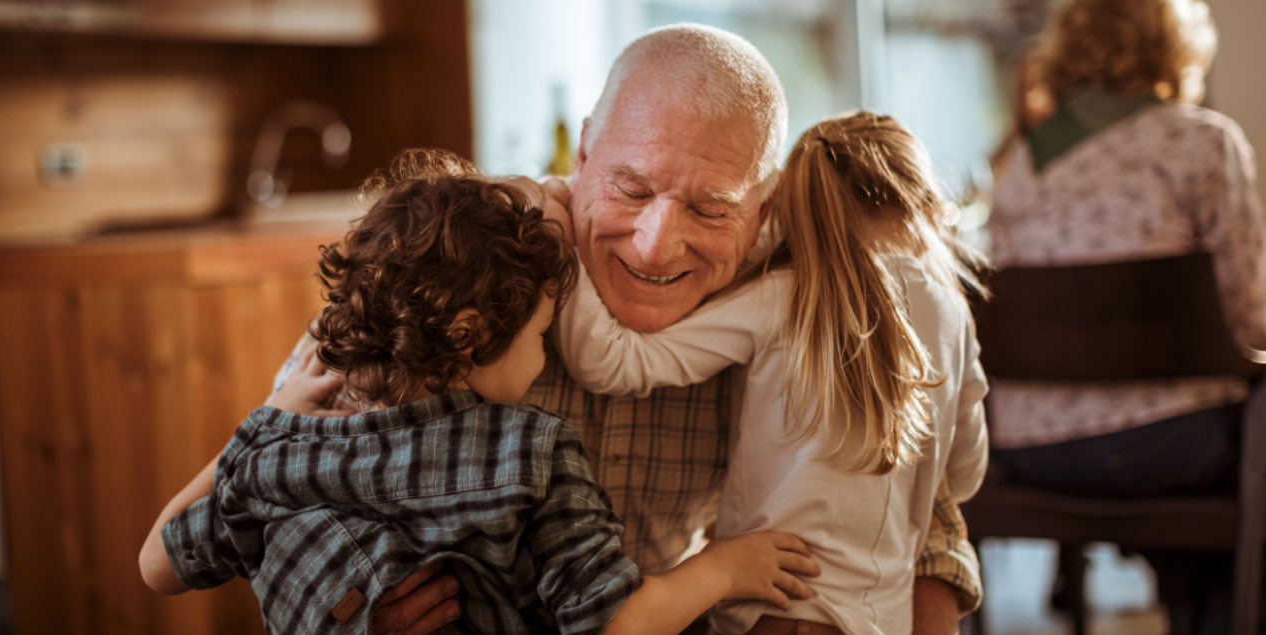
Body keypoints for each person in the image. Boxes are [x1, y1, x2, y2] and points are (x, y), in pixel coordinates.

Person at [275, 24, 983, 635]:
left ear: (763, 211)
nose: (654, 244)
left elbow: (927, 514)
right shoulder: (463, 257)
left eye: (710, 209)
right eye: (632, 189)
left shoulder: (787, 300)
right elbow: (275, 487)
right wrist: (351, 610)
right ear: (582, 154)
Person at [138, 150, 820, 635]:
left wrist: (270, 420)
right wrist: (725, 569)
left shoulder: (292, 439)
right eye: (541, 335)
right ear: (470, 334)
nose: (543, 356)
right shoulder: (532, 451)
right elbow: (615, 623)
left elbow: (158, 564)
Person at [552, 111, 990, 635]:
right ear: (922, 201)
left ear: (787, 209)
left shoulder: (780, 295)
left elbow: (607, 361)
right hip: (884, 618)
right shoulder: (951, 315)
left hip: (775, 606)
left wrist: (554, 227)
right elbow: (965, 474)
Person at [984, 0, 1266, 630]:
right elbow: (1248, 323)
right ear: (1175, 45)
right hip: (1161, 445)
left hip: (1027, 447)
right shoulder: (1204, 141)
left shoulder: (1021, 166)